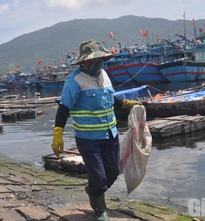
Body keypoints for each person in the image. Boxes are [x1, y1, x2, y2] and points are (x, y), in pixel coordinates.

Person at [51, 40, 141, 221]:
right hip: (88, 138)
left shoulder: (105, 75)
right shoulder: (74, 81)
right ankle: (100, 210)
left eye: (100, 60)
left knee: (114, 171)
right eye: (93, 61)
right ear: (84, 62)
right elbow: (64, 108)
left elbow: (109, 97)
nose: (98, 64)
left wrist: (125, 103)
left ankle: (92, 190)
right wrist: (58, 133)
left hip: (110, 134)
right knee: (98, 175)